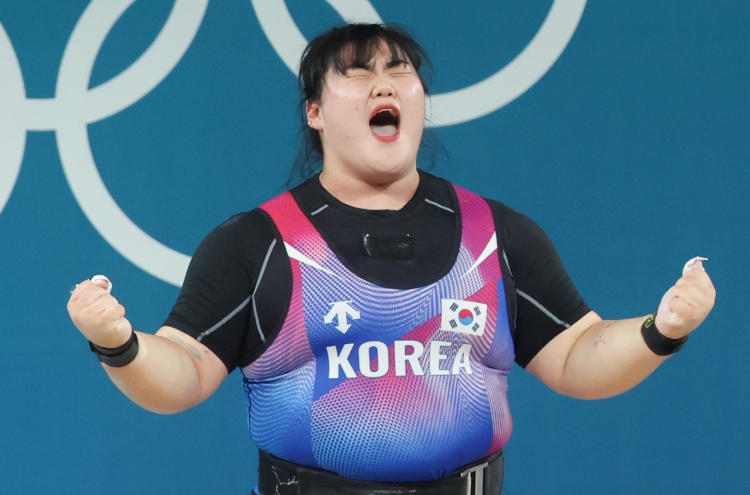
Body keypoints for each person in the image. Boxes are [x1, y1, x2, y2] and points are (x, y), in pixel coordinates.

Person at [67, 23, 716, 495]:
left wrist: (662, 330)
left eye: (400, 70)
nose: (385, 81)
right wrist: (119, 344)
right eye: (357, 71)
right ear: (314, 111)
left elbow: (578, 355)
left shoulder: (495, 235)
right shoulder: (256, 244)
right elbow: (182, 374)